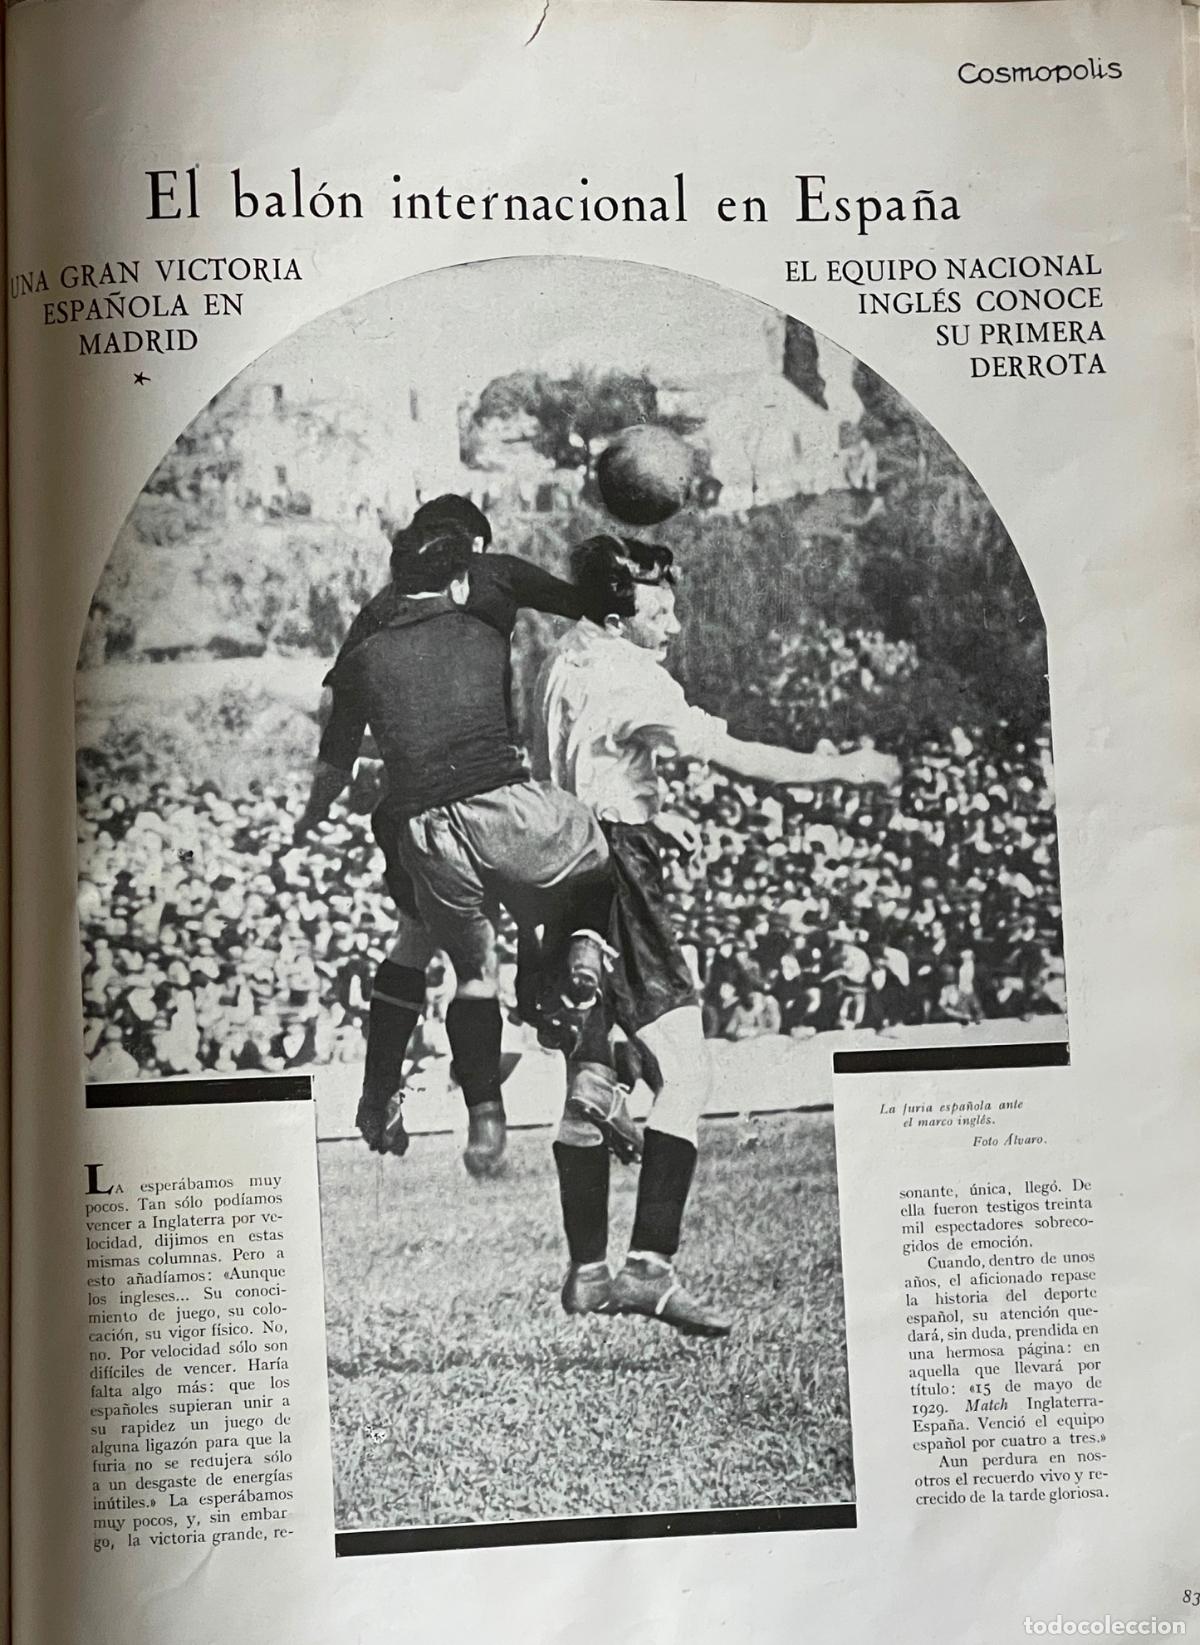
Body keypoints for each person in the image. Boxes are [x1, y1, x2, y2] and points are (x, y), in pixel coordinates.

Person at [533, 534, 900, 1337]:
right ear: (617, 611)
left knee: (590, 1082)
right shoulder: (636, 677)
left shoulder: (562, 658)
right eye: (658, 605)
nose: (673, 619)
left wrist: (653, 814)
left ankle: (588, 1270)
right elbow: (736, 756)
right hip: (615, 875)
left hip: (557, 864)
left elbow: (580, 769)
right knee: (688, 1074)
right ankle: (647, 1268)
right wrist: (846, 768)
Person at [296, 504, 612, 1178]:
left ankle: (392, 1094)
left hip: (418, 818)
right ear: (466, 558)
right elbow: (581, 603)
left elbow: (335, 736)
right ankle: (557, 980)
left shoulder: (373, 626)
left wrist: (313, 813)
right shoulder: (486, 594)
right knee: (577, 855)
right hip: (499, 798)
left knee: (422, 946)